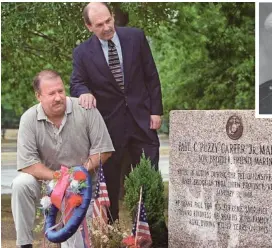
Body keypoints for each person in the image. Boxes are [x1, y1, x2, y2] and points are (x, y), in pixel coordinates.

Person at [70, 2, 163, 221]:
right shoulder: (82, 53)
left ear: (112, 16)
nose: (107, 27)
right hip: (109, 129)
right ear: (88, 26)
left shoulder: (136, 37)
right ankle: (110, 235)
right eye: (100, 24)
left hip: (143, 122)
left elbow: (151, 75)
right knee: (109, 187)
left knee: (147, 181)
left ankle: (152, 235)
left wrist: (156, 111)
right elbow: (76, 83)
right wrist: (84, 92)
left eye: (109, 20)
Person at [11, 69, 114, 248]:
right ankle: (25, 244)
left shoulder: (86, 109)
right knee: (21, 183)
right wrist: (60, 178)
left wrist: (76, 176)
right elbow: (28, 164)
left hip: (83, 188)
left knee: (74, 244)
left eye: (61, 91)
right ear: (38, 96)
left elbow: (103, 151)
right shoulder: (28, 119)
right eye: (51, 93)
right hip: (47, 186)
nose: (58, 97)